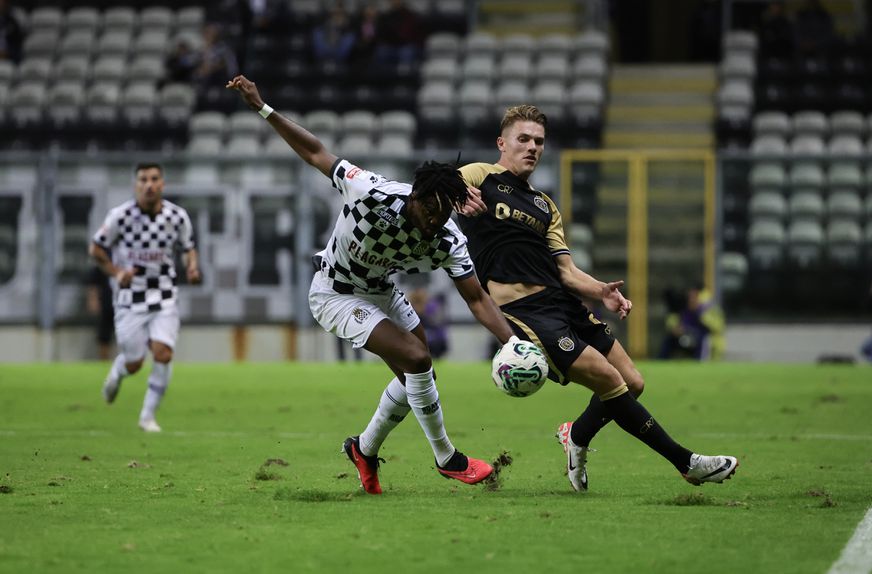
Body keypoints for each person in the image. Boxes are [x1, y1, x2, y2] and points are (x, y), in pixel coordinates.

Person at [226, 75, 530, 495]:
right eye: (431, 213)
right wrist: (262, 107)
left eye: (445, 216)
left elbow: (477, 299)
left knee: (416, 377)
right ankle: (447, 458)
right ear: (415, 198)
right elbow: (315, 152)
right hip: (334, 292)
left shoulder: (447, 239)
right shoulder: (369, 192)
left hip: (381, 292)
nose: (435, 223)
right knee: (416, 358)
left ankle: (364, 450)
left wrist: (512, 343)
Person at [454, 105, 738, 491]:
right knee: (608, 378)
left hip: (562, 304)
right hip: (523, 312)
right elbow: (442, 184)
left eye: (539, 141)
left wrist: (600, 291)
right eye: (523, 139)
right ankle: (686, 462)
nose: (532, 147)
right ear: (502, 143)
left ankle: (577, 437)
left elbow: (567, 272)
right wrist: (456, 195)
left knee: (632, 382)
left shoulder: (545, 206)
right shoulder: (481, 176)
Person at [89, 163, 201, 433]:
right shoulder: (120, 216)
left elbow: (188, 247)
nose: (149, 184)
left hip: (165, 295)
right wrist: (117, 273)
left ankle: (147, 417)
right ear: (135, 184)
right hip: (130, 298)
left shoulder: (177, 216)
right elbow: (96, 249)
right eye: (143, 180)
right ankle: (118, 371)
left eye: (154, 179)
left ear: (162, 183)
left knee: (163, 353)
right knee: (135, 362)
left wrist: (192, 266)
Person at [659, 284, 725, 361]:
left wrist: (700, 312)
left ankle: (700, 364)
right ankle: (660, 361)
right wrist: (676, 328)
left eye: (693, 297)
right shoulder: (684, 309)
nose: (691, 299)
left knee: (704, 340)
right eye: (690, 297)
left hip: (704, 338)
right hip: (687, 337)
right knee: (669, 340)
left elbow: (718, 327)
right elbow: (673, 321)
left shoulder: (708, 309)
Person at [86, 266, 115, 361]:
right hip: (106, 304)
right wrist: (93, 300)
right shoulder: (103, 263)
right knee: (104, 336)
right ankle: (104, 361)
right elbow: (93, 285)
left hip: (125, 305)